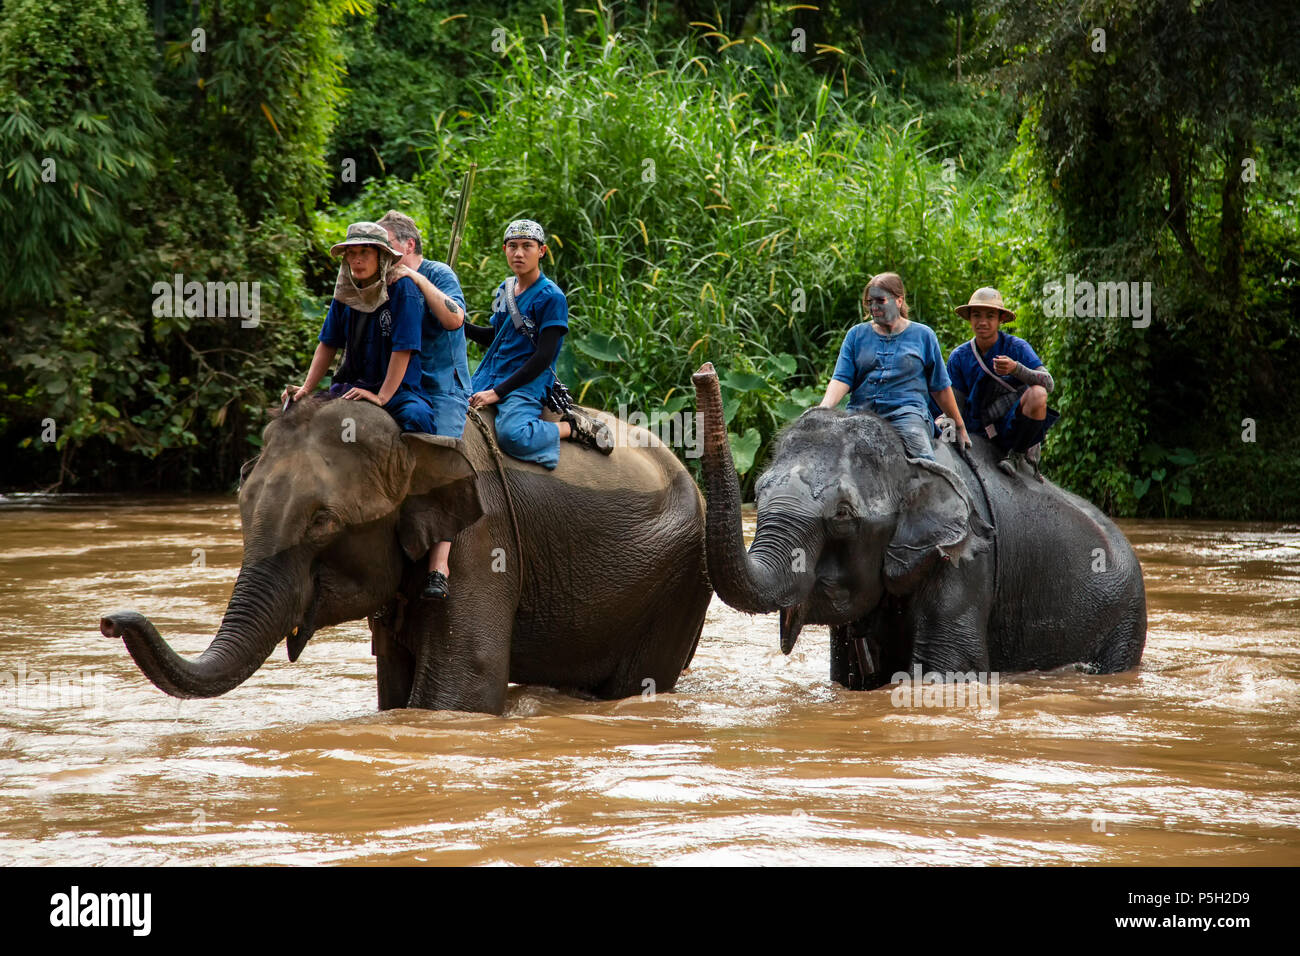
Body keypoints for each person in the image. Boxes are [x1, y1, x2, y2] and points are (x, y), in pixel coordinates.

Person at [464, 219, 611, 465]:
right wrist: (458, 324)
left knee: (513, 435)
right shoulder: (506, 288)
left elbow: (543, 357)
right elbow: (496, 336)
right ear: (504, 250)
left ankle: (573, 428)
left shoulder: (552, 297)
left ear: (541, 251)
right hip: (489, 375)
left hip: (526, 384)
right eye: (512, 246)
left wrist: (497, 393)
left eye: (527, 246)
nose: (518, 253)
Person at [377, 210, 470, 600]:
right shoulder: (384, 282)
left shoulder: (437, 273)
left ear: (407, 246)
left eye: (387, 246)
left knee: (444, 459)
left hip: (444, 385)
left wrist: (416, 278)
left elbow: (455, 319)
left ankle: (439, 563)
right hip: (405, 384)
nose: (381, 253)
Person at [281, 220, 435, 436]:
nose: (357, 259)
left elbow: (404, 349)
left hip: (399, 392)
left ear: (381, 257)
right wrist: (306, 388)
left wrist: (381, 397)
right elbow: (328, 344)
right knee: (297, 412)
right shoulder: (344, 292)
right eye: (351, 253)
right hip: (350, 387)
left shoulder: (401, 289)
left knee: (416, 418)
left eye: (365, 252)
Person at [820, 272, 969, 459]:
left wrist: (959, 425)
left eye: (880, 301)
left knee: (924, 462)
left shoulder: (923, 336)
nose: (874, 307)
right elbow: (841, 379)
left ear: (899, 300)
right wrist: (824, 408)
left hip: (907, 415)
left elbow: (940, 388)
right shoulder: (856, 335)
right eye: (869, 302)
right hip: (859, 413)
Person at [946, 286, 1058, 479]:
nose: (982, 322)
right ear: (969, 319)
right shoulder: (959, 357)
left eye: (990, 316)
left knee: (1038, 394)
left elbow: (1048, 384)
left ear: (1000, 320)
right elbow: (955, 401)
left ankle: (1017, 454)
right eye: (977, 316)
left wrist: (1016, 369)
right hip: (977, 429)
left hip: (1011, 427)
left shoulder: (1017, 348)